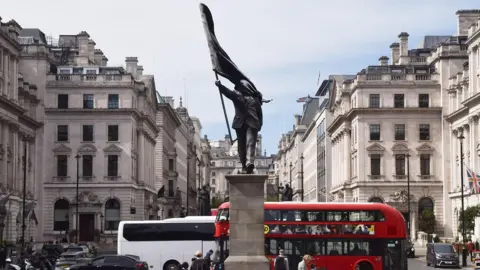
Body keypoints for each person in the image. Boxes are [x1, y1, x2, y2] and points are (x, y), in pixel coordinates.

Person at [215, 79, 271, 174]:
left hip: (252, 122)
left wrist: (260, 124)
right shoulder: (237, 96)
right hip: (240, 123)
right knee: (241, 146)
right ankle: (244, 165)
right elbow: (228, 93)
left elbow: (259, 113)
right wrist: (220, 86)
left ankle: (250, 163)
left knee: (250, 143)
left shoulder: (255, 99)